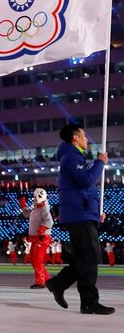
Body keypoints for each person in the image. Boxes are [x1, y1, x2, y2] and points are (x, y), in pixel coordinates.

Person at [45, 124, 115, 315]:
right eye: (84, 135)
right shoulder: (71, 157)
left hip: (83, 213)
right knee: (90, 258)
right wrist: (100, 162)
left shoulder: (75, 157)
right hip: (78, 215)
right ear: (75, 138)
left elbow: (83, 189)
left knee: (87, 258)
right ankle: (88, 300)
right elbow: (85, 181)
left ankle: (60, 284)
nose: (87, 139)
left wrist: (95, 213)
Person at [19, 188, 53, 289]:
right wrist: (23, 205)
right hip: (35, 237)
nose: (33, 198)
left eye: (35, 196)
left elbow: (50, 221)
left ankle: (41, 282)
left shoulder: (44, 208)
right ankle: (48, 280)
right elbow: (26, 214)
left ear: (40, 196)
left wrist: (42, 230)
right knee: (33, 259)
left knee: (37, 260)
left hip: (42, 238)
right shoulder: (36, 206)